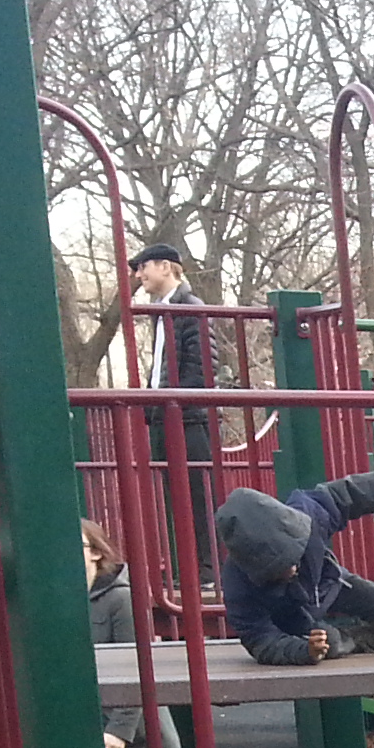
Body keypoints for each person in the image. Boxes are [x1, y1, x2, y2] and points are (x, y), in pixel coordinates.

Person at [215, 469, 374, 669]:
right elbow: (259, 639)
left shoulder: (305, 516)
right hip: (293, 618)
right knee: (329, 642)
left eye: (293, 557)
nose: (292, 569)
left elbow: (339, 496)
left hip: (326, 581)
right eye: (278, 568)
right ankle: (354, 637)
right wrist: (304, 651)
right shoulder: (238, 584)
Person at [82, 518, 191, 748]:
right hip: (90, 726)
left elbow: (138, 666)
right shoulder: (61, 601)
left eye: (75, 546)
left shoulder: (121, 599)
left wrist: (119, 731)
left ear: (96, 553)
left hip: (137, 733)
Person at [130, 242, 216, 585]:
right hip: (165, 415)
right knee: (173, 494)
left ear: (166, 267)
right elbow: (164, 368)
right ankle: (186, 569)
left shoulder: (189, 308)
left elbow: (202, 368)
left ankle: (206, 569)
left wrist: (171, 404)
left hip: (186, 417)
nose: (139, 275)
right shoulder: (162, 311)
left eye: (144, 267)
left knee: (196, 493)